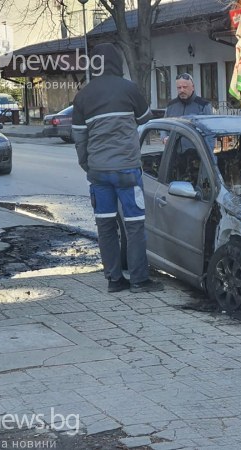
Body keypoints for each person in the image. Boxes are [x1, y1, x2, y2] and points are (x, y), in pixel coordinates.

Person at [71, 43, 163, 294]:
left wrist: (88, 166)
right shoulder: (129, 89)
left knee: (106, 227)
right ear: (118, 63)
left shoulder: (83, 96)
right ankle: (139, 280)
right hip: (127, 171)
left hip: (99, 174)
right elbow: (147, 124)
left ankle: (114, 280)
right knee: (134, 226)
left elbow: (79, 139)